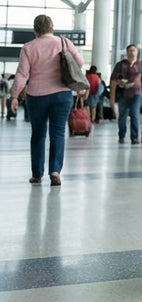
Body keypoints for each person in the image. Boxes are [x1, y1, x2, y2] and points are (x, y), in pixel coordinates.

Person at [9, 15, 83, 185]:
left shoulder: (28, 47)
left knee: (38, 134)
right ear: (52, 27)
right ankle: (55, 171)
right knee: (58, 133)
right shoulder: (64, 42)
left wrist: (14, 96)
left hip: (36, 97)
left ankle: (37, 174)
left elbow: (22, 75)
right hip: (62, 95)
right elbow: (79, 62)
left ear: (35, 30)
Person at [110, 44, 142, 144]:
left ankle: (134, 137)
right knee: (122, 115)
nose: (132, 52)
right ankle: (122, 136)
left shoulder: (141, 64)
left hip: (137, 93)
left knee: (135, 114)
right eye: (130, 50)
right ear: (127, 52)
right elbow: (113, 79)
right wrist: (118, 85)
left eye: (134, 50)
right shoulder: (121, 65)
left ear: (137, 52)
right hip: (123, 93)